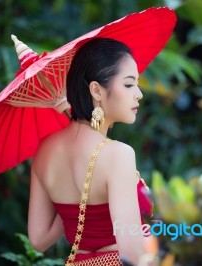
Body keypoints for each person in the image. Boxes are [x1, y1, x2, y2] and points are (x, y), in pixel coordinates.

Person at [27, 38, 156, 266]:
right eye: (128, 84)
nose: (138, 94)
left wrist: (72, 206)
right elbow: (133, 254)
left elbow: (38, 239)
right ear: (96, 89)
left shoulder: (45, 151)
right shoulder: (118, 154)